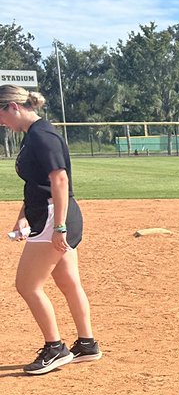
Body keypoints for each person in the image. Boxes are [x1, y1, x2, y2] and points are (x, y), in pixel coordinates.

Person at [0, 86, 102, 375]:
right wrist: (22, 216)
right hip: (50, 215)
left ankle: (55, 348)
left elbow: (59, 180)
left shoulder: (41, 136)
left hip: (54, 217)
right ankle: (87, 343)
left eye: (0, 115)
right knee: (69, 282)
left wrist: (58, 226)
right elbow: (37, 183)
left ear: (13, 107)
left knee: (27, 285)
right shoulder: (34, 135)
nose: (1, 122)